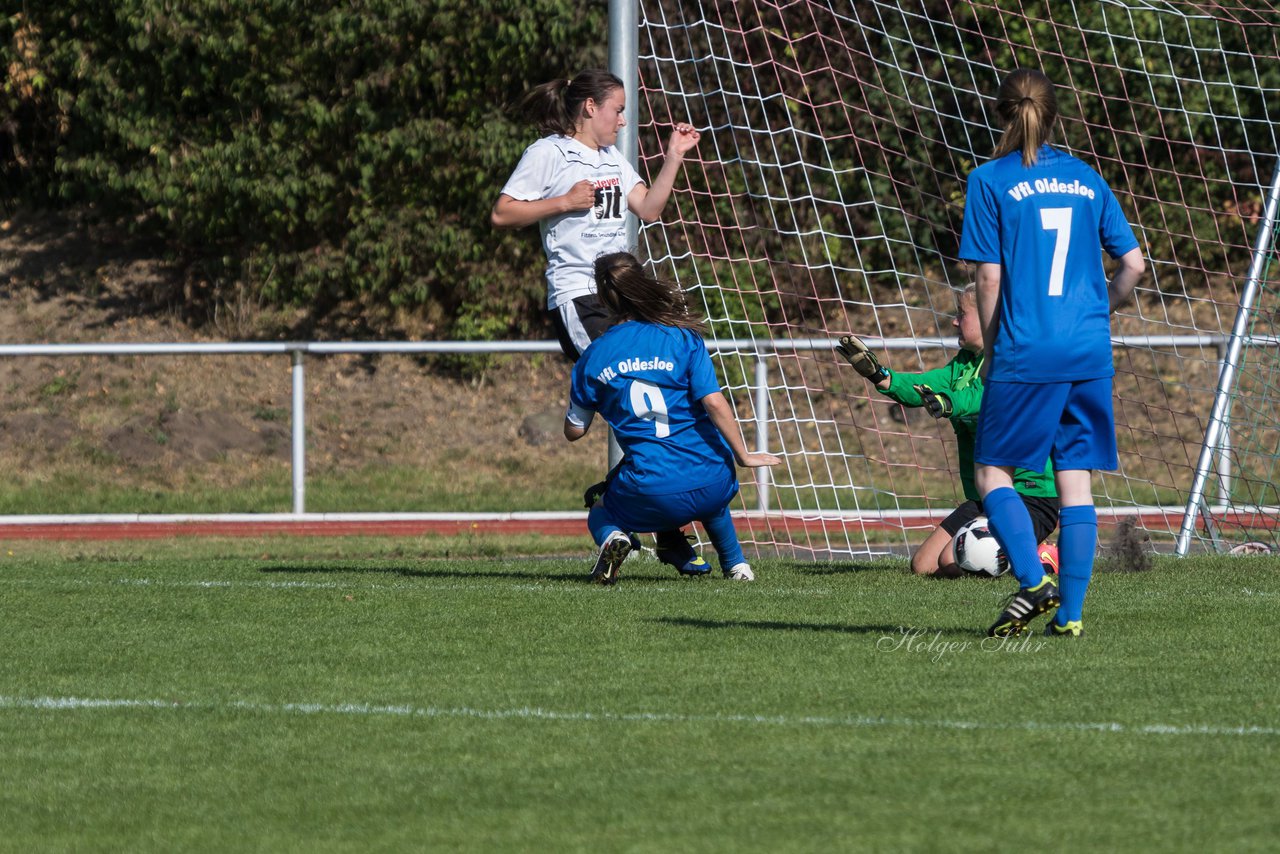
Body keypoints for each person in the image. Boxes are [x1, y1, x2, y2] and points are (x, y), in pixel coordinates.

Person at [491, 68, 705, 574]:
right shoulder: (548, 152)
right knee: (636, 393)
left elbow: (649, 210)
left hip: (622, 295)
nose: (622, 119)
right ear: (590, 108)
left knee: (654, 397)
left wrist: (673, 158)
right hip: (579, 297)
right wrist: (562, 202)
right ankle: (647, 526)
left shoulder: (611, 158)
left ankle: (636, 520)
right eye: (616, 109)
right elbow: (503, 213)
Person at [958, 68, 1145, 637]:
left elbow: (988, 281)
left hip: (1026, 348)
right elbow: (1134, 265)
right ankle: (1071, 616)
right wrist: (1096, 309)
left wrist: (992, 350)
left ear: (1001, 114)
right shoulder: (1088, 178)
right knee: (1076, 481)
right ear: (1054, 114)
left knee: (993, 472)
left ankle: (1034, 584)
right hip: (1088, 349)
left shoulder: (989, 180)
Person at [564, 252, 781, 584]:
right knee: (713, 500)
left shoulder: (593, 357)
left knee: (601, 509)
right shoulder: (682, 337)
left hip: (649, 488)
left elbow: (575, 431)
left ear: (603, 297)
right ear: (642, 282)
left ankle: (613, 538)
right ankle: (737, 565)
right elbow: (715, 403)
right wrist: (744, 455)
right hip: (712, 479)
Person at [836, 285, 1059, 577]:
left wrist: (950, 403)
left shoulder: (1014, 357)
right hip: (989, 494)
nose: (955, 321)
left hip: (1029, 494)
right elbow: (924, 384)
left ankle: (1043, 557)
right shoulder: (964, 364)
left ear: (989, 316)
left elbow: (988, 398)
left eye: (961, 313)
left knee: (951, 562)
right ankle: (1022, 554)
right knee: (923, 565)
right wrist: (881, 376)